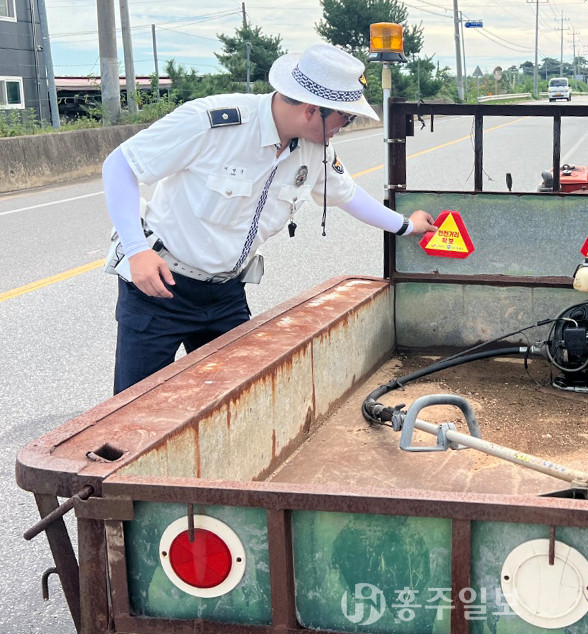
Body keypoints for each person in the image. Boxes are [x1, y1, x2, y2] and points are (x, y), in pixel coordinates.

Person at [101, 44, 437, 394]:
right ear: (312, 110)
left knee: (234, 400)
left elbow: (347, 195)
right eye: (345, 117)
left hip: (225, 293)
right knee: (135, 406)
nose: (346, 125)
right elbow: (120, 164)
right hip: (159, 288)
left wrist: (406, 225)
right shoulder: (213, 123)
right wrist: (136, 249)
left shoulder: (315, 149)